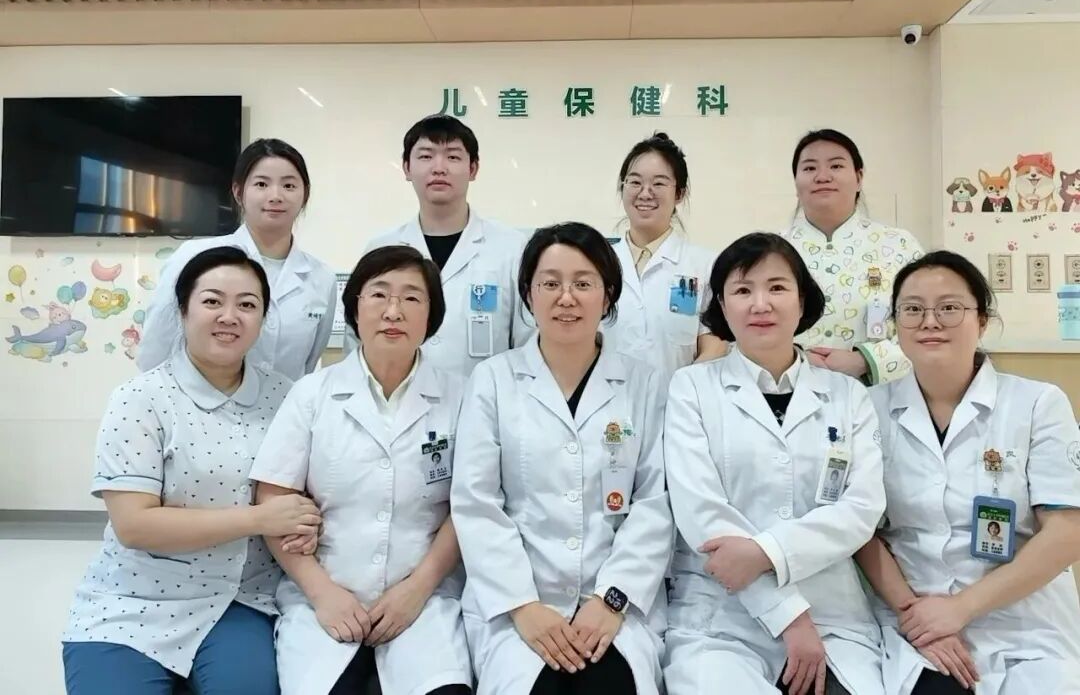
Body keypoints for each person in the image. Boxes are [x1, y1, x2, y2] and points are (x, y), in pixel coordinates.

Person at [62, 246, 322, 694]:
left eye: (247, 305)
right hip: (132, 602)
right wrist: (259, 519)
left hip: (239, 600)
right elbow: (134, 525)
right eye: (212, 301)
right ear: (183, 310)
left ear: (262, 319)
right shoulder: (139, 399)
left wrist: (307, 524)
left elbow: (309, 497)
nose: (230, 316)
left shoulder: (289, 398)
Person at [451, 223, 673, 695]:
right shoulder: (493, 380)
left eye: (583, 283)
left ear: (607, 295)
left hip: (616, 607)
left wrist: (611, 600)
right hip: (519, 607)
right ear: (528, 295)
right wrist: (523, 606)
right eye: (550, 283)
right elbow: (476, 502)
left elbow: (656, 502)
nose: (566, 297)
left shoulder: (644, 383)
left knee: (613, 685)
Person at [663, 232, 886, 695]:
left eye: (777, 288)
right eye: (743, 290)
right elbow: (702, 514)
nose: (760, 304)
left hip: (830, 614)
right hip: (721, 618)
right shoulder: (691, 388)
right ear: (722, 306)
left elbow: (861, 509)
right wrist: (789, 617)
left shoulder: (847, 396)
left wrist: (766, 553)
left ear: (802, 301)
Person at [855, 250, 1080, 695]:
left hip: (1022, 624)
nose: (930, 322)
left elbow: (1067, 532)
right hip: (913, 619)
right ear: (895, 324)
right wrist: (917, 615)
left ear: (982, 320)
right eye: (912, 309)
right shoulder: (868, 409)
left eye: (949, 308)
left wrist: (960, 609)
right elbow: (861, 529)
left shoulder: (1038, 404)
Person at [250, 246, 472, 695]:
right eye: (379, 294)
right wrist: (321, 593)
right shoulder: (312, 394)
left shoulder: (463, 397)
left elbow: (469, 504)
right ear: (354, 308)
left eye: (412, 298)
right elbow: (273, 498)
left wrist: (418, 588)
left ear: (431, 315)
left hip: (424, 597)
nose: (393, 311)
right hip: (324, 594)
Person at [345, 115, 531, 378]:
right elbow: (357, 337)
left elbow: (528, 343)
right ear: (406, 168)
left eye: (453, 157)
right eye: (426, 156)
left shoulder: (512, 248)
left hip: (487, 400)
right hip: (398, 400)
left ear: (473, 169)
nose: (439, 168)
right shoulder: (381, 248)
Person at [139, 138, 337, 381]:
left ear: (305, 194)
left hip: (286, 404)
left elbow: (308, 365)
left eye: (289, 185)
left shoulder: (321, 278)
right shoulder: (193, 257)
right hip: (195, 402)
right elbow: (156, 349)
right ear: (238, 192)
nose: (276, 196)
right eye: (261, 184)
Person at [783, 129, 923, 384]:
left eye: (836, 166)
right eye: (810, 168)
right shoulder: (773, 251)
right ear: (796, 182)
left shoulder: (899, 245)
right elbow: (743, 329)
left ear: (858, 178)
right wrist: (793, 359)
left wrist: (866, 360)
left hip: (880, 393)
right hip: (792, 389)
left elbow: (928, 325)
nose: (822, 177)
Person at [602, 132, 726, 387]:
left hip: (678, 405)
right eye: (634, 182)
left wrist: (685, 394)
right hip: (602, 404)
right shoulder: (597, 262)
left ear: (679, 193)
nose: (645, 193)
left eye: (659, 184)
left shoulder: (705, 265)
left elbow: (715, 344)